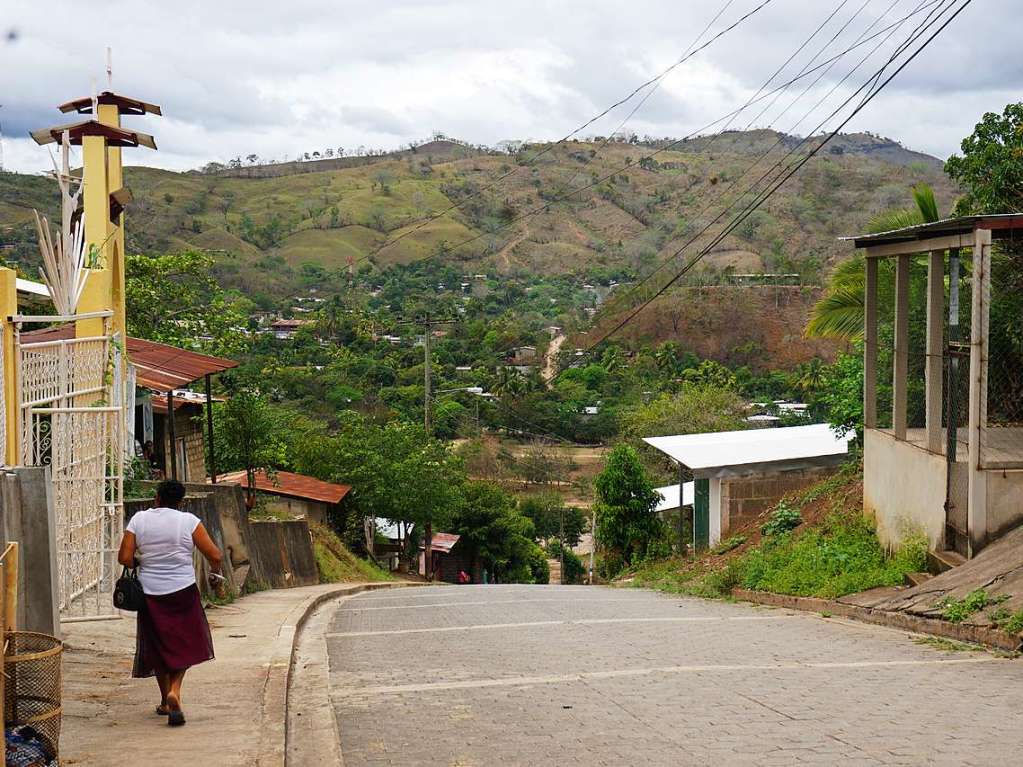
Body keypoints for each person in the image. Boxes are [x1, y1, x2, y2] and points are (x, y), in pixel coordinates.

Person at [117, 479, 223, 727]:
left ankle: (166, 700)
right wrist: (215, 574)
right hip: (183, 591)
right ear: (180, 501)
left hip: (150, 594)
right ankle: (175, 690)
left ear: (156, 498)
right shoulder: (189, 522)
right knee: (184, 644)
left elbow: (124, 557)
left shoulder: (139, 520)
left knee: (158, 646)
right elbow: (215, 555)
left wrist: (144, 562)